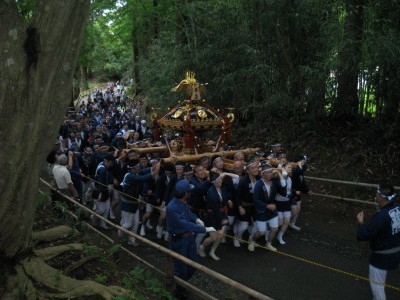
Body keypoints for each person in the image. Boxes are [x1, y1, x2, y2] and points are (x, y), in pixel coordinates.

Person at [166, 180, 216, 299]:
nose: (191, 193)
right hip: (179, 241)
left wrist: (196, 219)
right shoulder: (172, 207)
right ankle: (179, 291)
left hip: (189, 239)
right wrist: (204, 229)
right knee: (181, 268)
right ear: (185, 194)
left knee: (193, 264)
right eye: (189, 191)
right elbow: (184, 223)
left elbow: (188, 214)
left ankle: (180, 283)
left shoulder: (183, 202)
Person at [356, 184, 400, 300]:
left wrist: (361, 223)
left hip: (382, 256)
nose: (375, 194)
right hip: (396, 250)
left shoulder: (381, 216)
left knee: (377, 286)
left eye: (377, 192)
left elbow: (364, 235)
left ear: (381, 196)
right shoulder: (398, 207)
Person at [198, 173, 232, 261]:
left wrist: (228, 201)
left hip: (221, 214)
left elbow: (226, 196)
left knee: (220, 235)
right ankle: (202, 247)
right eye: (215, 181)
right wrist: (223, 219)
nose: (218, 182)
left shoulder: (223, 188)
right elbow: (215, 209)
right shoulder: (211, 193)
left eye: (219, 180)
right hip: (212, 216)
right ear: (212, 182)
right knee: (213, 237)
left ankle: (212, 251)